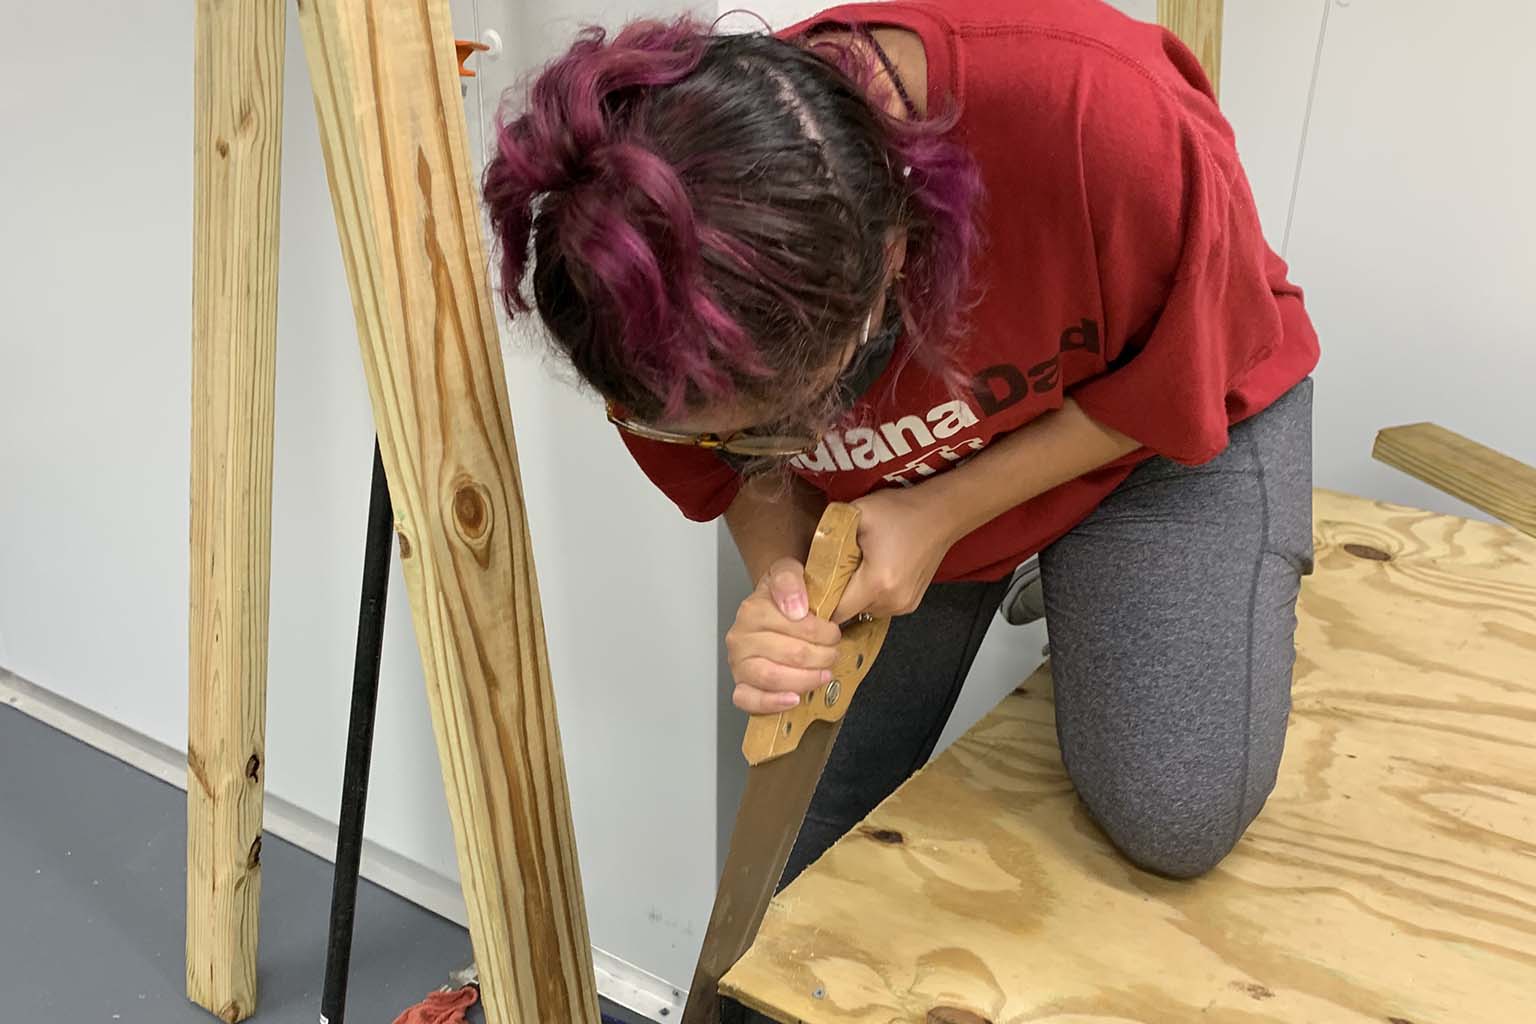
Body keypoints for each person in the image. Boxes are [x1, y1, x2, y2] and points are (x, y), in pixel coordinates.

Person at [485, 0, 1316, 911]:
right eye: (745, 431)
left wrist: (945, 513)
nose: (775, 449)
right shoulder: (629, 289)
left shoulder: (1097, 111)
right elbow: (736, 479)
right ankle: (1069, 579)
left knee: (1173, 816)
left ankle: (1085, 563)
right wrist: (783, 588)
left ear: (893, 251)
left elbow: (1190, 367)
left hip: (1152, 420)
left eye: (798, 410)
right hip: (904, 477)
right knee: (800, 853)